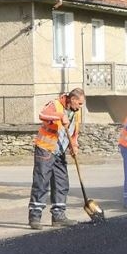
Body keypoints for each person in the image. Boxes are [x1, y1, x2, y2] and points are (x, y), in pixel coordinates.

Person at [28, 87, 85, 229]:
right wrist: (60, 116)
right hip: (45, 149)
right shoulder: (55, 105)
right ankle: (35, 217)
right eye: (79, 103)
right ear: (72, 100)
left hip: (60, 151)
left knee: (61, 183)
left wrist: (74, 144)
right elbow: (42, 115)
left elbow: (74, 132)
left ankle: (58, 216)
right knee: (41, 182)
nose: (80, 106)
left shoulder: (76, 112)